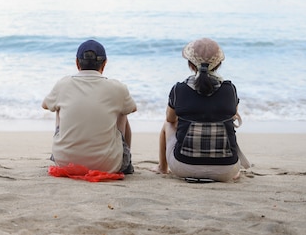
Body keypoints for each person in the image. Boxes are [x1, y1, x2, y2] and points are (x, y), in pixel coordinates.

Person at [155, 38, 244, 182]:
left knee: (167, 125)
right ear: (219, 64)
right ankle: (228, 172)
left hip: (183, 166)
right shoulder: (230, 89)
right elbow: (233, 115)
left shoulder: (179, 89)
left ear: (190, 65)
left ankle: (162, 168)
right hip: (226, 169)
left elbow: (170, 119)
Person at [42, 39, 137, 174]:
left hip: (64, 162)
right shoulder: (117, 87)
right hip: (108, 165)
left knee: (58, 108)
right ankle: (126, 160)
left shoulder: (63, 84)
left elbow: (45, 105)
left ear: (77, 63)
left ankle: (66, 151)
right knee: (123, 111)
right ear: (104, 64)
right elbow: (132, 108)